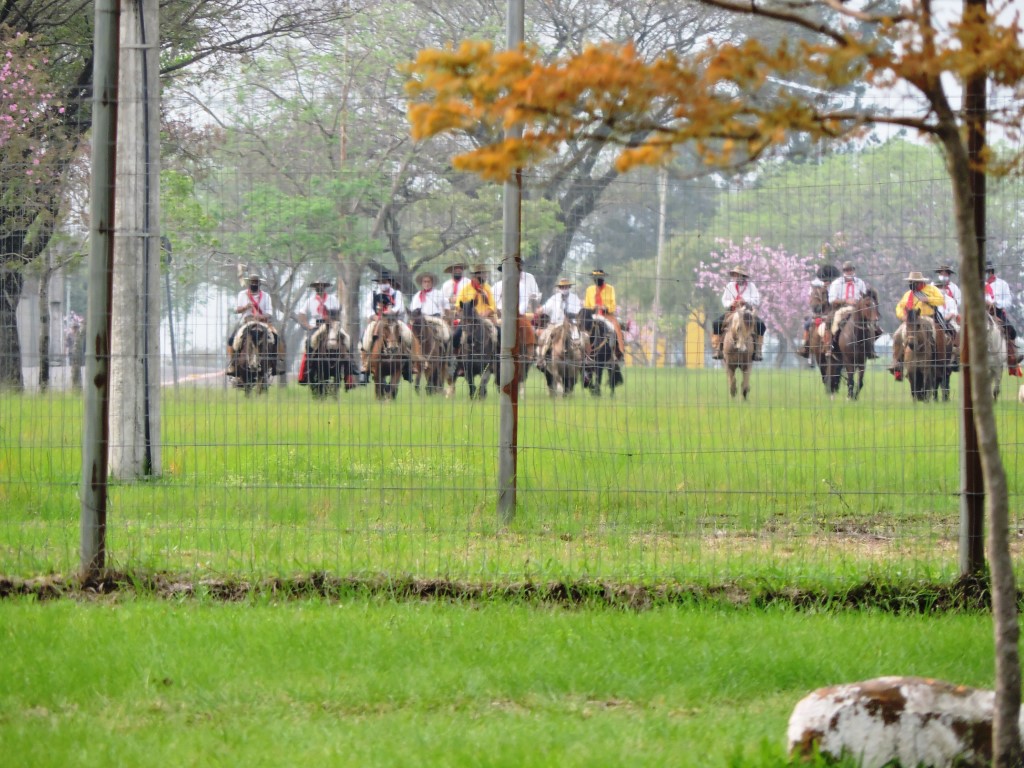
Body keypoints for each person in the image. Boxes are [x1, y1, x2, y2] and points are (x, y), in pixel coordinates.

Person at [359, 270, 417, 382]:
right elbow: (367, 308)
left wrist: (391, 312)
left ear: (389, 282)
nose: (382, 283)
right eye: (380, 282)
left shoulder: (396, 293)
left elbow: (399, 307)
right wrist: (374, 316)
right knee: (366, 336)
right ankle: (365, 363)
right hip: (377, 320)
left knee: (408, 335)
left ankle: (411, 363)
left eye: (384, 281)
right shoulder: (372, 294)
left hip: (394, 320)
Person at [888, 271, 946, 381]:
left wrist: (928, 299)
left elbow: (941, 300)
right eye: (911, 282)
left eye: (914, 282)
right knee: (897, 335)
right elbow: (899, 307)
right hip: (910, 321)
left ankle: (939, 362)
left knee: (937, 335)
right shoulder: (908, 294)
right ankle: (897, 364)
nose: (912, 283)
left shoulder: (931, 290)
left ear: (920, 282)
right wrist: (903, 316)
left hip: (926, 318)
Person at [296, 279, 348, 385]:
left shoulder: (332, 299)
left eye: (321, 286)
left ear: (325, 287)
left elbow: (339, 312)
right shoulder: (310, 300)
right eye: (317, 286)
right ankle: (309, 366)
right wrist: (307, 325)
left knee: (346, 339)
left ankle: (349, 368)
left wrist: (334, 320)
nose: (319, 288)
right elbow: (301, 314)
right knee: (309, 341)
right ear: (315, 288)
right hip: (316, 325)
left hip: (332, 325)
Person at [710, 266, 767, 361]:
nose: (736, 277)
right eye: (735, 275)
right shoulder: (730, 286)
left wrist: (745, 301)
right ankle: (718, 349)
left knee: (761, 325)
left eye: (738, 275)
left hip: (747, 312)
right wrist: (731, 302)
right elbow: (724, 300)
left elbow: (756, 300)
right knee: (716, 323)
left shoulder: (751, 286)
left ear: (743, 276)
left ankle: (758, 350)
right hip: (732, 311)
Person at [826, 261, 879, 359]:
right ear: (843, 271)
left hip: (857, 309)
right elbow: (832, 300)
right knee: (833, 320)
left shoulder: (860, 282)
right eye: (846, 270)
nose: (849, 272)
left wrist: (860, 302)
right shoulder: (837, 283)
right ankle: (831, 345)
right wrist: (846, 301)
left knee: (871, 323)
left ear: (853, 270)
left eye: (850, 270)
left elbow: (865, 297)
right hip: (841, 308)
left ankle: (870, 348)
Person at [226, 273, 276, 376]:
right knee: (232, 339)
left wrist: (261, 317)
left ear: (259, 283)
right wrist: (246, 307)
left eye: (256, 282)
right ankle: (232, 364)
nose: (254, 284)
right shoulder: (242, 294)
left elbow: (269, 312)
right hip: (246, 321)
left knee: (275, 337)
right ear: (249, 283)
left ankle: (275, 364)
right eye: (252, 282)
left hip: (262, 322)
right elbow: (237, 309)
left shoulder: (266, 296)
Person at [451, 264, 498, 371]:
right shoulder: (465, 289)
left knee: (496, 333)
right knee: (456, 335)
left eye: (485, 274)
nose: (485, 277)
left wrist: (485, 313)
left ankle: (495, 358)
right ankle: (456, 359)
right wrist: (464, 312)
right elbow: (458, 305)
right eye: (482, 274)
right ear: (475, 276)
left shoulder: (487, 288)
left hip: (484, 318)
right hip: (468, 319)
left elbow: (493, 306)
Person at [493, 262, 542, 364]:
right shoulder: (497, 286)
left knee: (528, 328)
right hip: (501, 314)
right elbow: (494, 301)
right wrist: (502, 311)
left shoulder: (521, 286)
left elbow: (524, 301)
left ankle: (529, 355)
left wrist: (516, 312)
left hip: (518, 314)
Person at [535, 277, 583, 369]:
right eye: (562, 287)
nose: (564, 289)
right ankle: (541, 359)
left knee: (581, 340)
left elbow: (578, 312)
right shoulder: (554, 298)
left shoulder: (574, 298)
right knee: (542, 338)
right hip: (554, 324)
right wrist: (540, 310)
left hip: (571, 325)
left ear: (569, 287)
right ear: (559, 288)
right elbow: (546, 307)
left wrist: (570, 316)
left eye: (566, 287)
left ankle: (584, 362)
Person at [984, 261, 1021, 368]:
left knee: (1011, 330)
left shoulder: (1002, 284)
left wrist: (997, 303)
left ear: (991, 272)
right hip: (981, 312)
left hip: (997, 312)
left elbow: (1008, 301)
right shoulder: (979, 284)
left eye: (986, 271)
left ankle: (1012, 356)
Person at [797, 264, 839, 359]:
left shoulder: (837, 288)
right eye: (825, 280)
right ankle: (805, 347)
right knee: (807, 324)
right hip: (820, 315)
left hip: (836, 314)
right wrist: (825, 299)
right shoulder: (816, 291)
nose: (827, 282)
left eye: (829, 280)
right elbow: (815, 307)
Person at [582, 268, 624, 360]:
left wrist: (605, 307)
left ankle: (619, 351)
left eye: (599, 277)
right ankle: (582, 352)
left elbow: (613, 304)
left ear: (603, 278)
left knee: (616, 327)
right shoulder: (589, 289)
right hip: (593, 315)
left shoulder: (610, 289)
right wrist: (593, 308)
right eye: (595, 277)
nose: (597, 279)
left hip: (606, 314)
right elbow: (587, 305)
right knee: (582, 329)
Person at [408, 272, 451, 345]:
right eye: (424, 282)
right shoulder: (417, 295)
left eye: (428, 281)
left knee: (445, 335)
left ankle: (445, 350)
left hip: (435, 318)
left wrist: (446, 317)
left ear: (432, 282)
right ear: (422, 283)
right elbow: (412, 309)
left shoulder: (438, 293)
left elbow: (446, 305)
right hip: (420, 319)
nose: (426, 284)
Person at [933, 265, 961, 371]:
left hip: (949, 320)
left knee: (958, 330)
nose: (940, 289)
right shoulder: (932, 296)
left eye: (942, 287)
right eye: (938, 287)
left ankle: (955, 355)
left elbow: (954, 310)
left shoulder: (951, 296)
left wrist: (947, 317)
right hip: (934, 320)